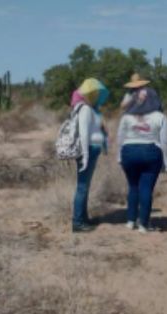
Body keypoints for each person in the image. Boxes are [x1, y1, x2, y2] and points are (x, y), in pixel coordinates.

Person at [117, 87, 167, 233]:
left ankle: (130, 220)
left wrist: (118, 156)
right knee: (146, 188)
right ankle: (144, 224)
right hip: (151, 152)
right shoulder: (160, 117)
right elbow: (165, 142)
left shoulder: (127, 116)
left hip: (128, 152)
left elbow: (120, 138)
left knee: (133, 186)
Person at [71, 78, 109, 233]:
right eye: (94, 93)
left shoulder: (91, 108)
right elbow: (84, 133)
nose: (97, 95)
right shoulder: (85, 109)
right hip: (87, 151)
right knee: (82, 187)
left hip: (92, 150)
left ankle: (83, 218)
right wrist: (85, 156)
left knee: (85, 186)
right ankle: (78, 222)